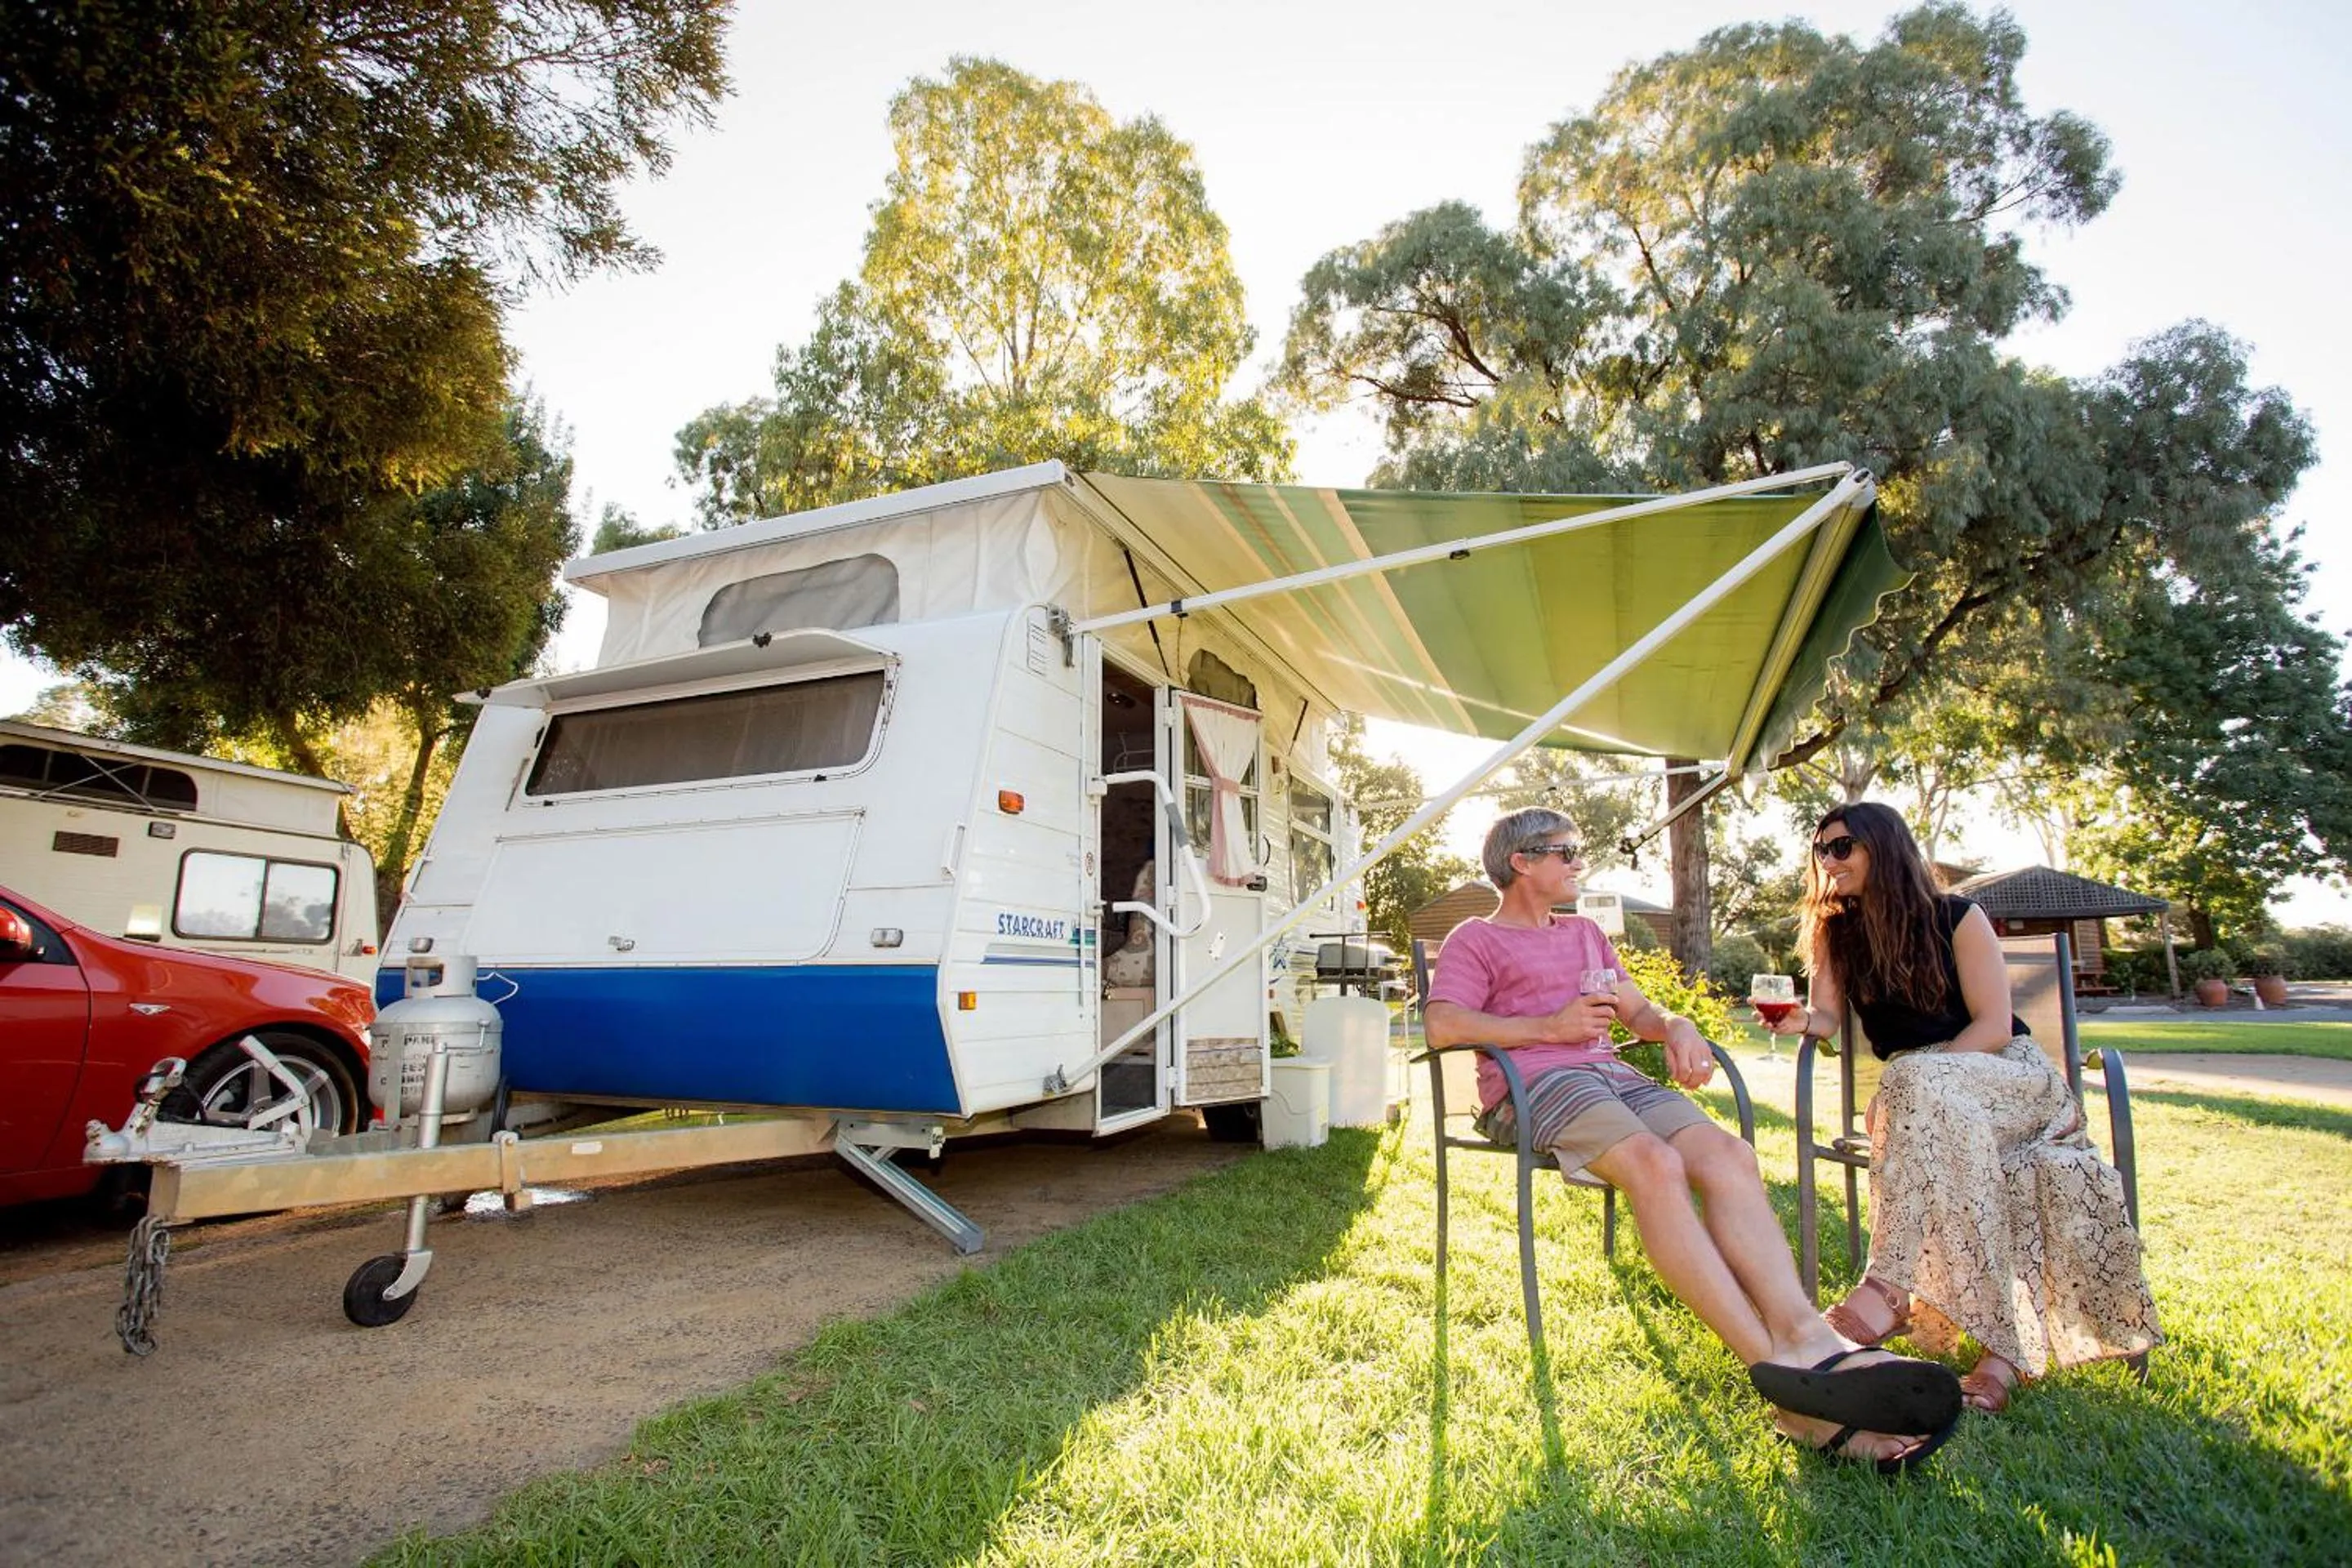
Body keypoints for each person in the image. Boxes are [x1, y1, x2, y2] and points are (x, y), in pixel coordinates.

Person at [1427, 808, 1962, 1472]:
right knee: (1655, 1164)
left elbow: (1639, 1012)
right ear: (1522, 861)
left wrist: (1675, 1025)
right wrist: (1552, 1026)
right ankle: (1783, 1385)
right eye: (1566, 852)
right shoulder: (1474, 938)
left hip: (1612, 1077)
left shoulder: (1587, 934)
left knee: (1729, 1155)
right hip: (1534, 1089)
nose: (1578, 862)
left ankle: (1807, 1338)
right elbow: (1443, 1026)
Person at [1757, 800, 2161, 1412]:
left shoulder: (1959, 917)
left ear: (1883, 848)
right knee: (2016, 1167)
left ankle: (1887, 1292)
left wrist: (1921, 1084)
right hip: (1926, 1099)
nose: (1828, 860)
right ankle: (2003, 1357)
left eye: (1842, 846)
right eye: (1821, 849)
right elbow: (1829, 1017)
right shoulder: (1834, 931)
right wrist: (1799, 1022)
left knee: (1917, 1080)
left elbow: (1996, 1025)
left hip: (2006, 1080)